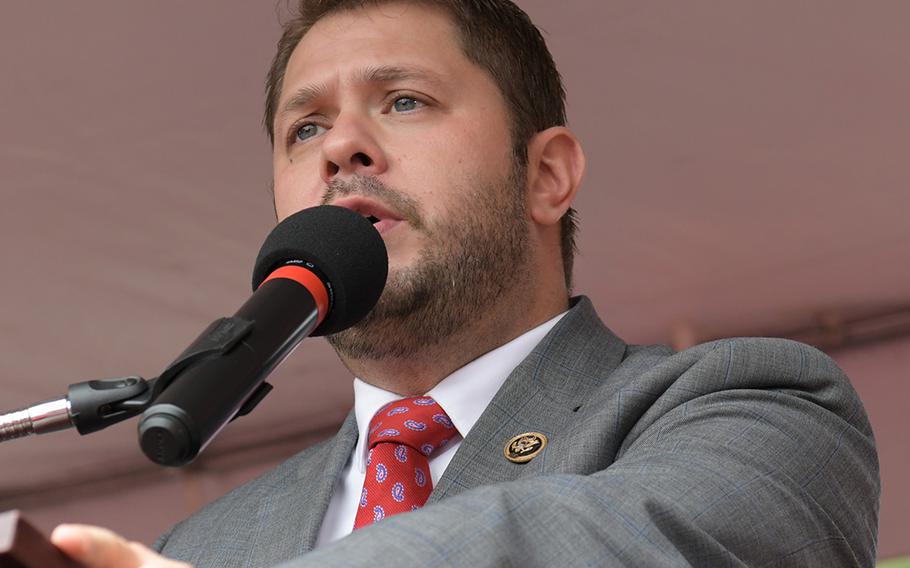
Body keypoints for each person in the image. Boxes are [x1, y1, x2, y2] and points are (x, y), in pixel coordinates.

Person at [50, 1, 880, 566]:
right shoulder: (204, 544)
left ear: (547, 175)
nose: (342, 148)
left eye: (404, 101)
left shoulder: (760, 409)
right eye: (305, 128)